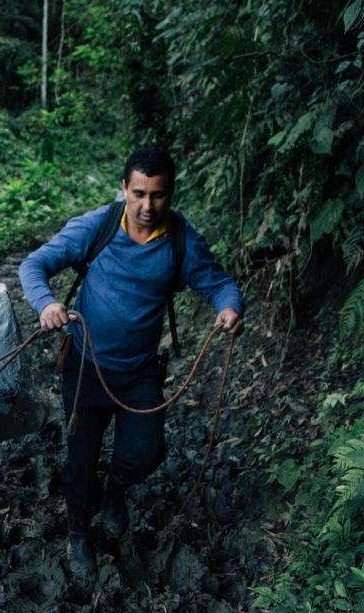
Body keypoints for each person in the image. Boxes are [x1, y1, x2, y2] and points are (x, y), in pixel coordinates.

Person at [18, 145, 244, 582]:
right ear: (124, 189)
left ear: (171, 194)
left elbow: (218, 284)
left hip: (140, 371)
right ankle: (78, 534)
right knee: (79, 464)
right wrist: (46, 304)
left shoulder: (180, 239)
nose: (147, 205)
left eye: (158, 195)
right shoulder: (97, 227)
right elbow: (35, 264)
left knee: (146, 452)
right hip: (85, 366)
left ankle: (116, 491)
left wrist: (230, 307)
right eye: (139, 194)